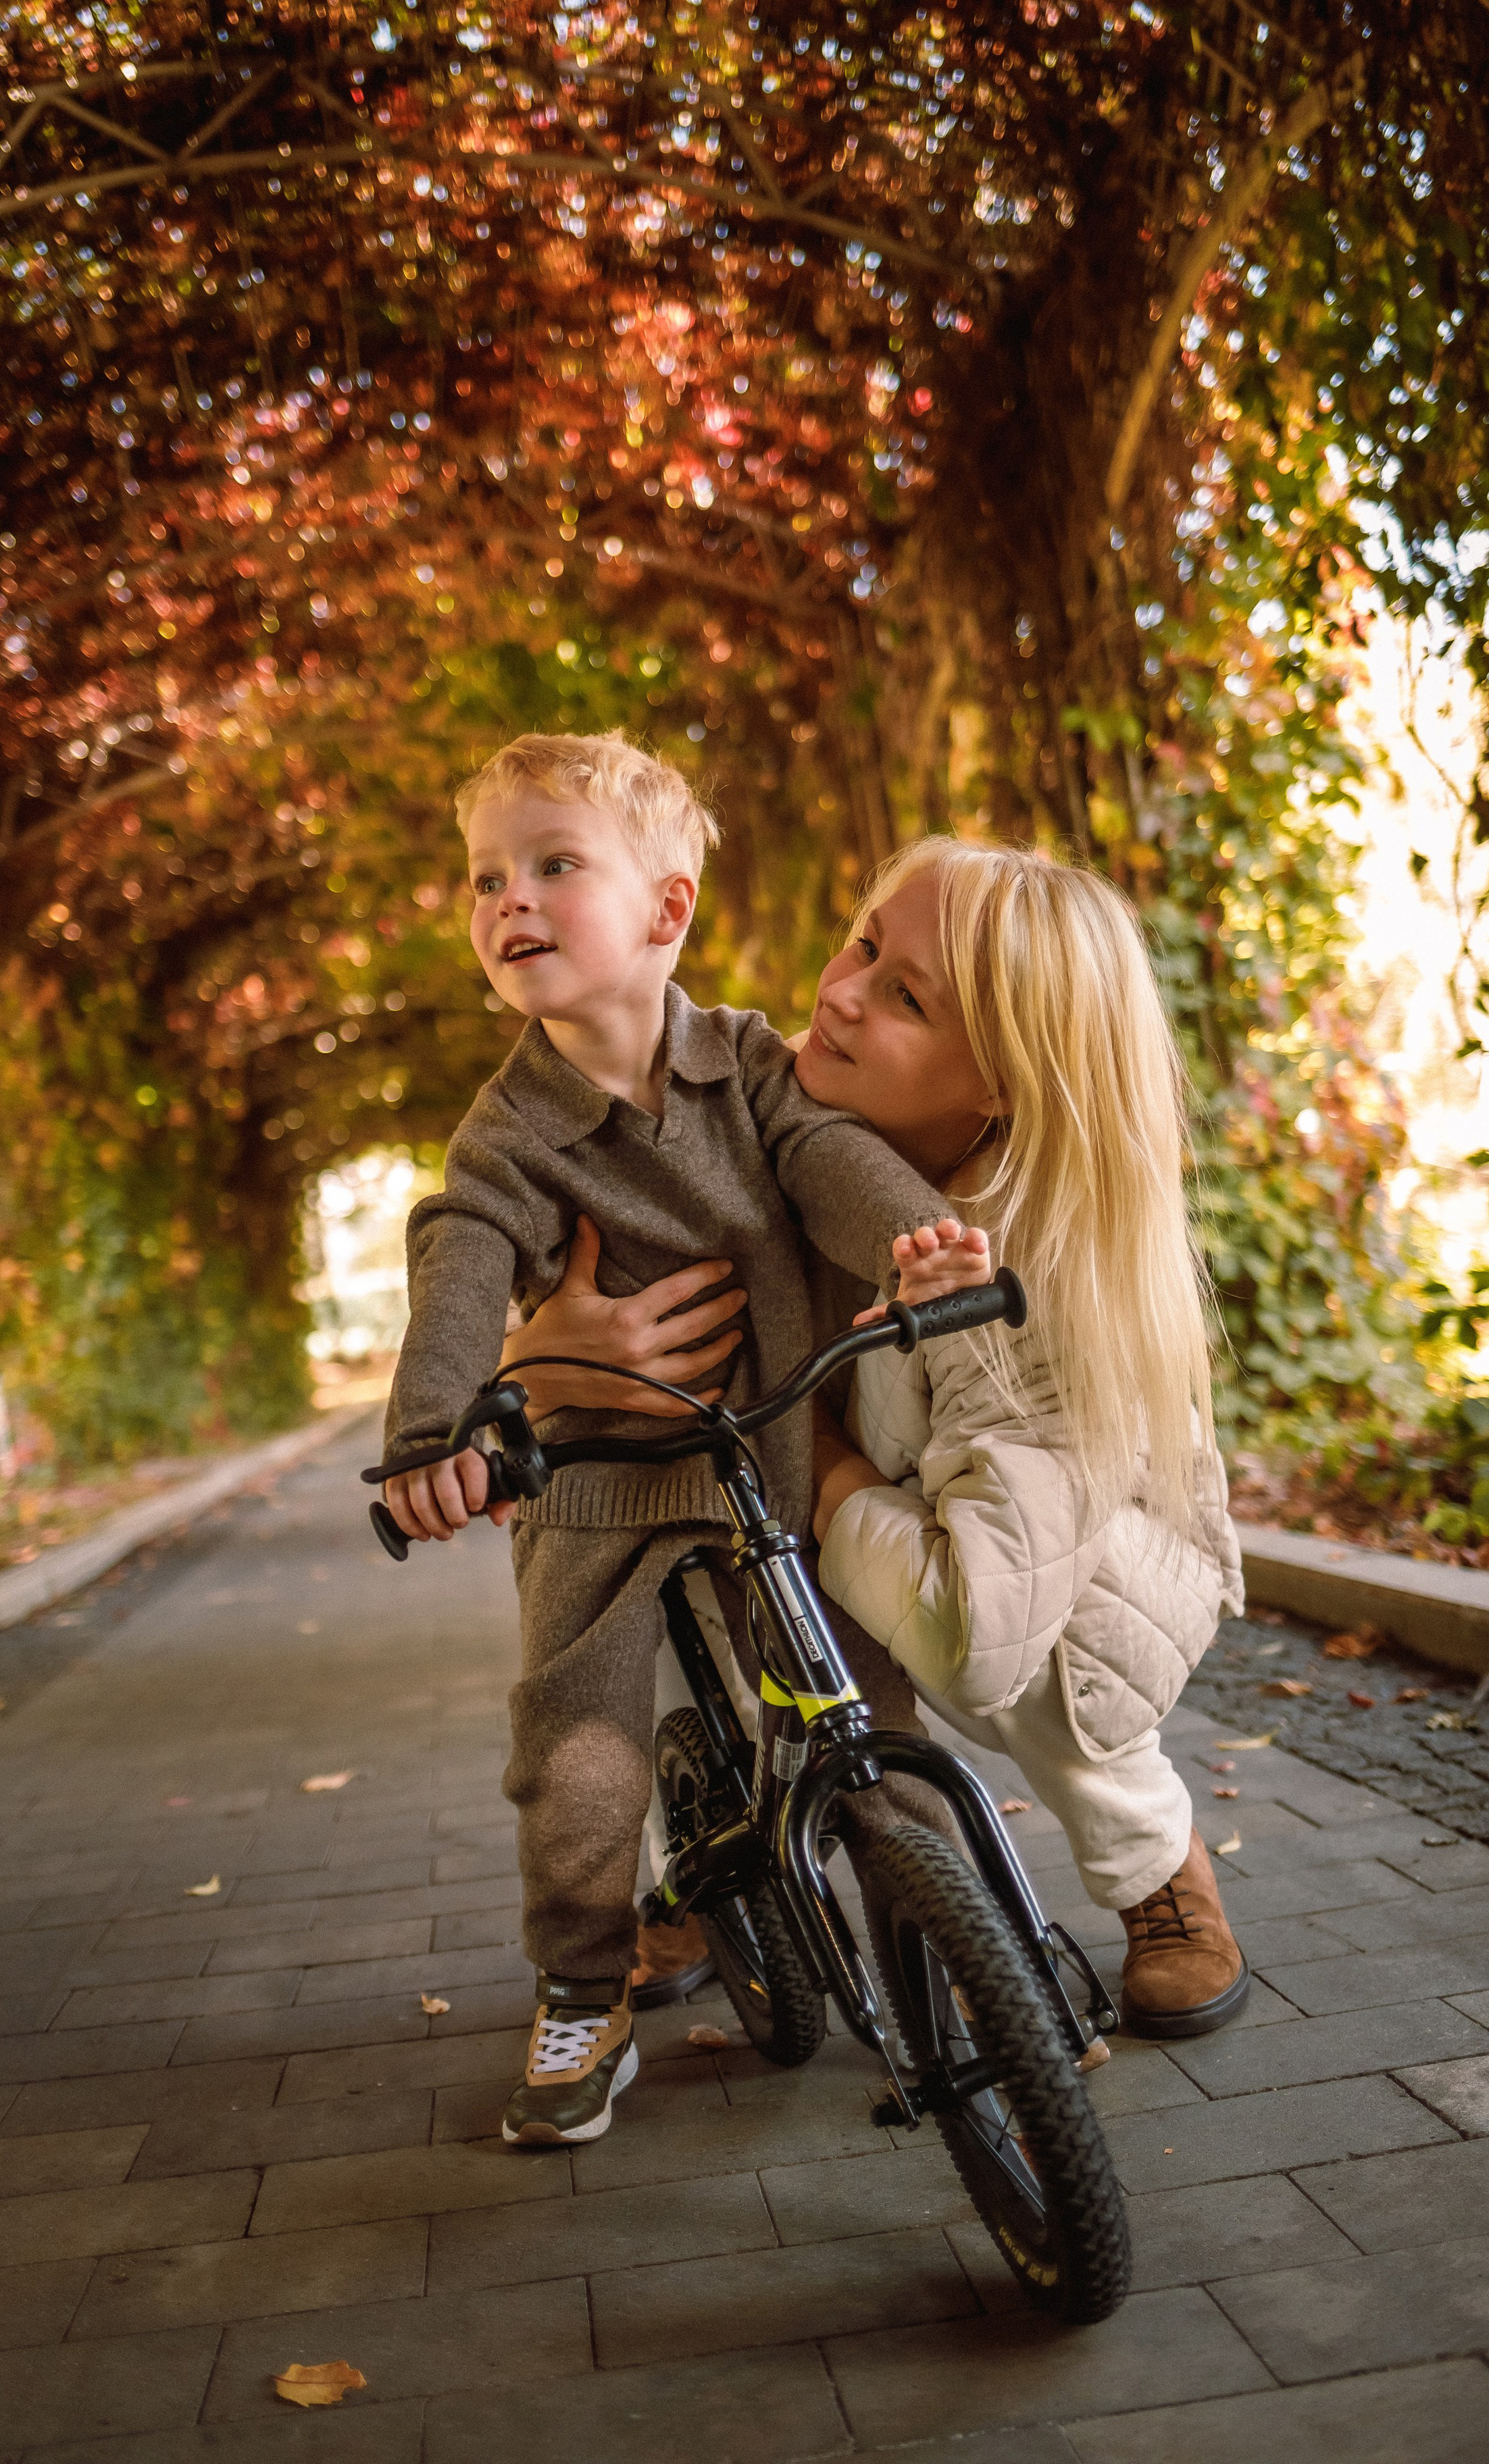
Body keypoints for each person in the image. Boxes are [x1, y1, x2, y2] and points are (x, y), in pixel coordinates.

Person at [512, 835, 1250, 2040]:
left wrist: (811, 1452)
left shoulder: (1042, 1280)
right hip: (811, 1489)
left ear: (1004, 1083)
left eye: (905, 997)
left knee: (1057, 1686)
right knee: (636, 1583)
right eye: (863, 943)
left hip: (1049, 1573)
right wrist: (537, 1354)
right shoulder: (754, 1095)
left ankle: (1162, 1869)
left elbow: (978, 1638)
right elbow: (571, 1225)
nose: (838, 993)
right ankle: (697, 1854)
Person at [378, 731, 986, 2148]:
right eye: (483, 879)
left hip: (753, 1459)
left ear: (664, 912)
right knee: (580, 1753)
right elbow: (460, 1260)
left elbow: (829, 1163)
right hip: (590, 1488)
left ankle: (956, 1959)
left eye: (550, 864)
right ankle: (580, 1990)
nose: (505, 900)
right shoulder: (508, 1139)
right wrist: (433, 1433)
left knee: (857, 1709)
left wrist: (911, 1245)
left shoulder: (752, 1067)